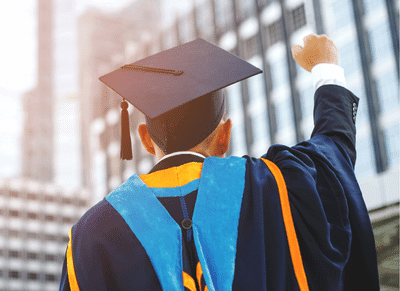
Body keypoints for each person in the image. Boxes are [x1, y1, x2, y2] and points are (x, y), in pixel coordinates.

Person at [59, 34, 379, 291]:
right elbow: (333, 152)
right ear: (224, 135)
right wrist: (326, 68)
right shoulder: (275, 185)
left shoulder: (90, 235)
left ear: (144, 138)